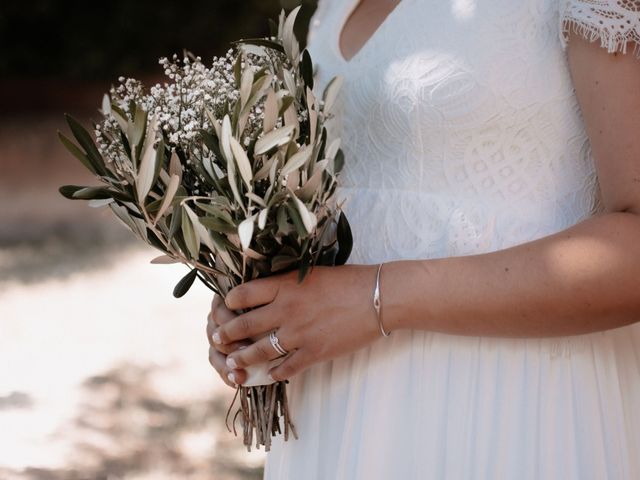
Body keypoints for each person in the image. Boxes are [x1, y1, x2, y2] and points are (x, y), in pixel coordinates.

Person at [207, 0, 640, 477]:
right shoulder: (332, 8)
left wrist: (380, 297)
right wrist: (254, 310)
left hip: (515, 400)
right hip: (341, 410)